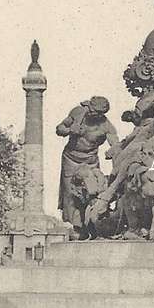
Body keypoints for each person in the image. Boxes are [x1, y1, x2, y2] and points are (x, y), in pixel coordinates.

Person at [55, 96, 118, 237]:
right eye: (89, 109)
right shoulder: (77, 112)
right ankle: (77, 228)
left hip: (90, 161)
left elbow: (115, 145)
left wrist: (115, 155)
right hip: (71, 159)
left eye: (93, 112)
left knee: (92, 192)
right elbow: (59, 129)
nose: (89, 113)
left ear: (101, 114)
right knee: (71, 195)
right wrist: (70, 130)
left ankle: (91, 224)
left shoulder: (106, 125)